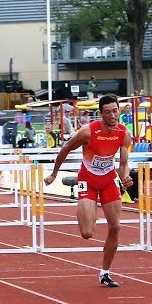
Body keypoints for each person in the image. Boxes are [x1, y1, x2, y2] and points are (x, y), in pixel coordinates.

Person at [43, 94, 133, 288]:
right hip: (88, 179)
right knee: (86, 233)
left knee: (116, 227)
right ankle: (87, 209)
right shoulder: (87, 132)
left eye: (115, 111)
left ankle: (105, 272)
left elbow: (123, 164)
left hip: (108, 180)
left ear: (119, 111)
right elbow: (66, 149)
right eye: (107, 112)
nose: (112, 115)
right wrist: (53, 174)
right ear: (101, 113)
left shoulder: (123, 133)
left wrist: (125, 176)